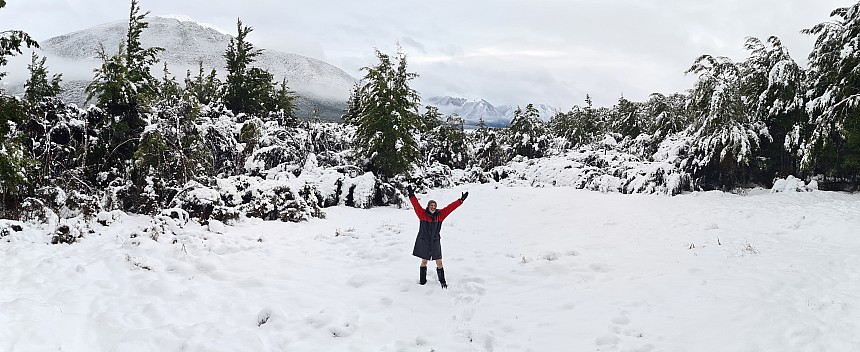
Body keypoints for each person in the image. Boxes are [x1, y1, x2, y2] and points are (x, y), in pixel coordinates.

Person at [405, 185, 468, 288]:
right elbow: (415, 204)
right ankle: (422, 281)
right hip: (424, 241)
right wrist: (411, 194)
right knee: (424, 261)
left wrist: (460, 200)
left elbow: (450, 208)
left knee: (439, 262)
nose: (433, 207)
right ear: (428, 206)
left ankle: (442, 281)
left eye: (434, 205)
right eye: (431, 205)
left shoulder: (440, 215)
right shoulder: (422, 214)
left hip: (435, 241)